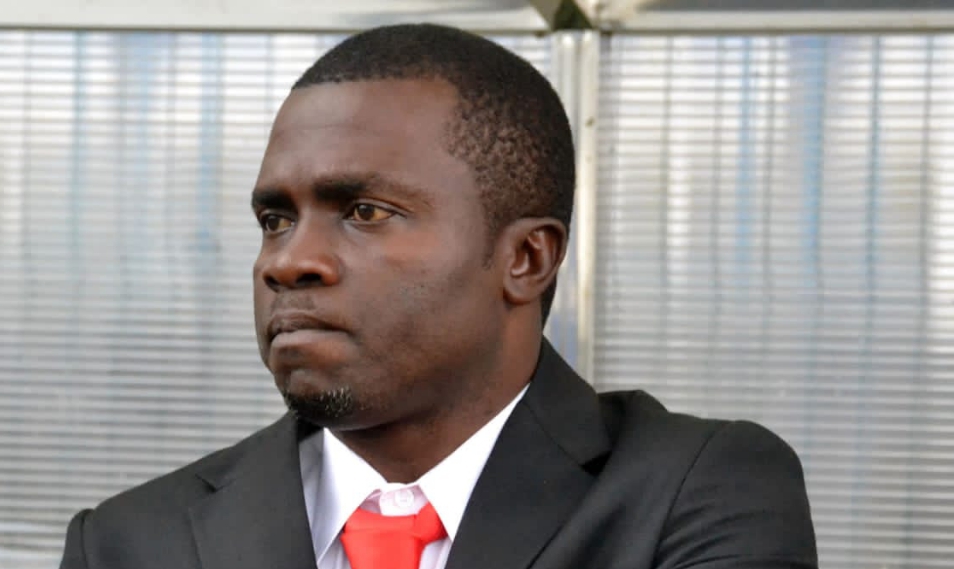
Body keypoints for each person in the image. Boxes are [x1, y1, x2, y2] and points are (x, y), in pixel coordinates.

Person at [58, 23, 817, 569]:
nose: (289, 261)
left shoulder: (695, 492)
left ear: (525, 258)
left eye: (365, 212)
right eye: (275, 219)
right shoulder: (129, 542)